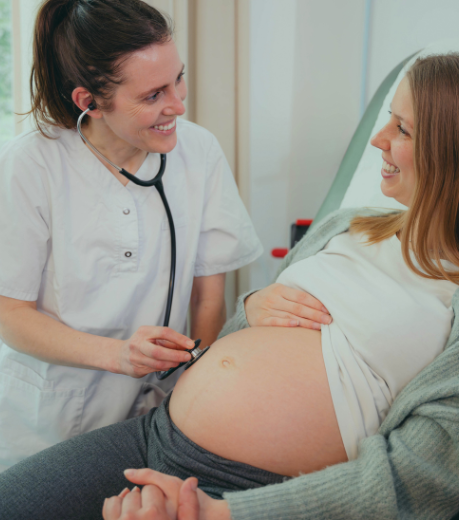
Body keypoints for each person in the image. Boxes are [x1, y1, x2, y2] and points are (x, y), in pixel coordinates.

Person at [2, 53, 459, 520]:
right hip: (153, 433)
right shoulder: (346, 227)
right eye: (388, 118)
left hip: (257, 491)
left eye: (403, 128)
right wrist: (253, 307)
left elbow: (420, 480)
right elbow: (248, 340)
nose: (378, 139)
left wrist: (219, 514)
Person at [0, 0, 281, 472]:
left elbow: (208, 297)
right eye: (152, 96)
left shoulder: (198, 151)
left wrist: (195, 393)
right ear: (89, 102)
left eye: (178, 79)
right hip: (47, 422)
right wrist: (118, 356)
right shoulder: (29, 166)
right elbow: (10, 315)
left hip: (157, 415)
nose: (178, 105)